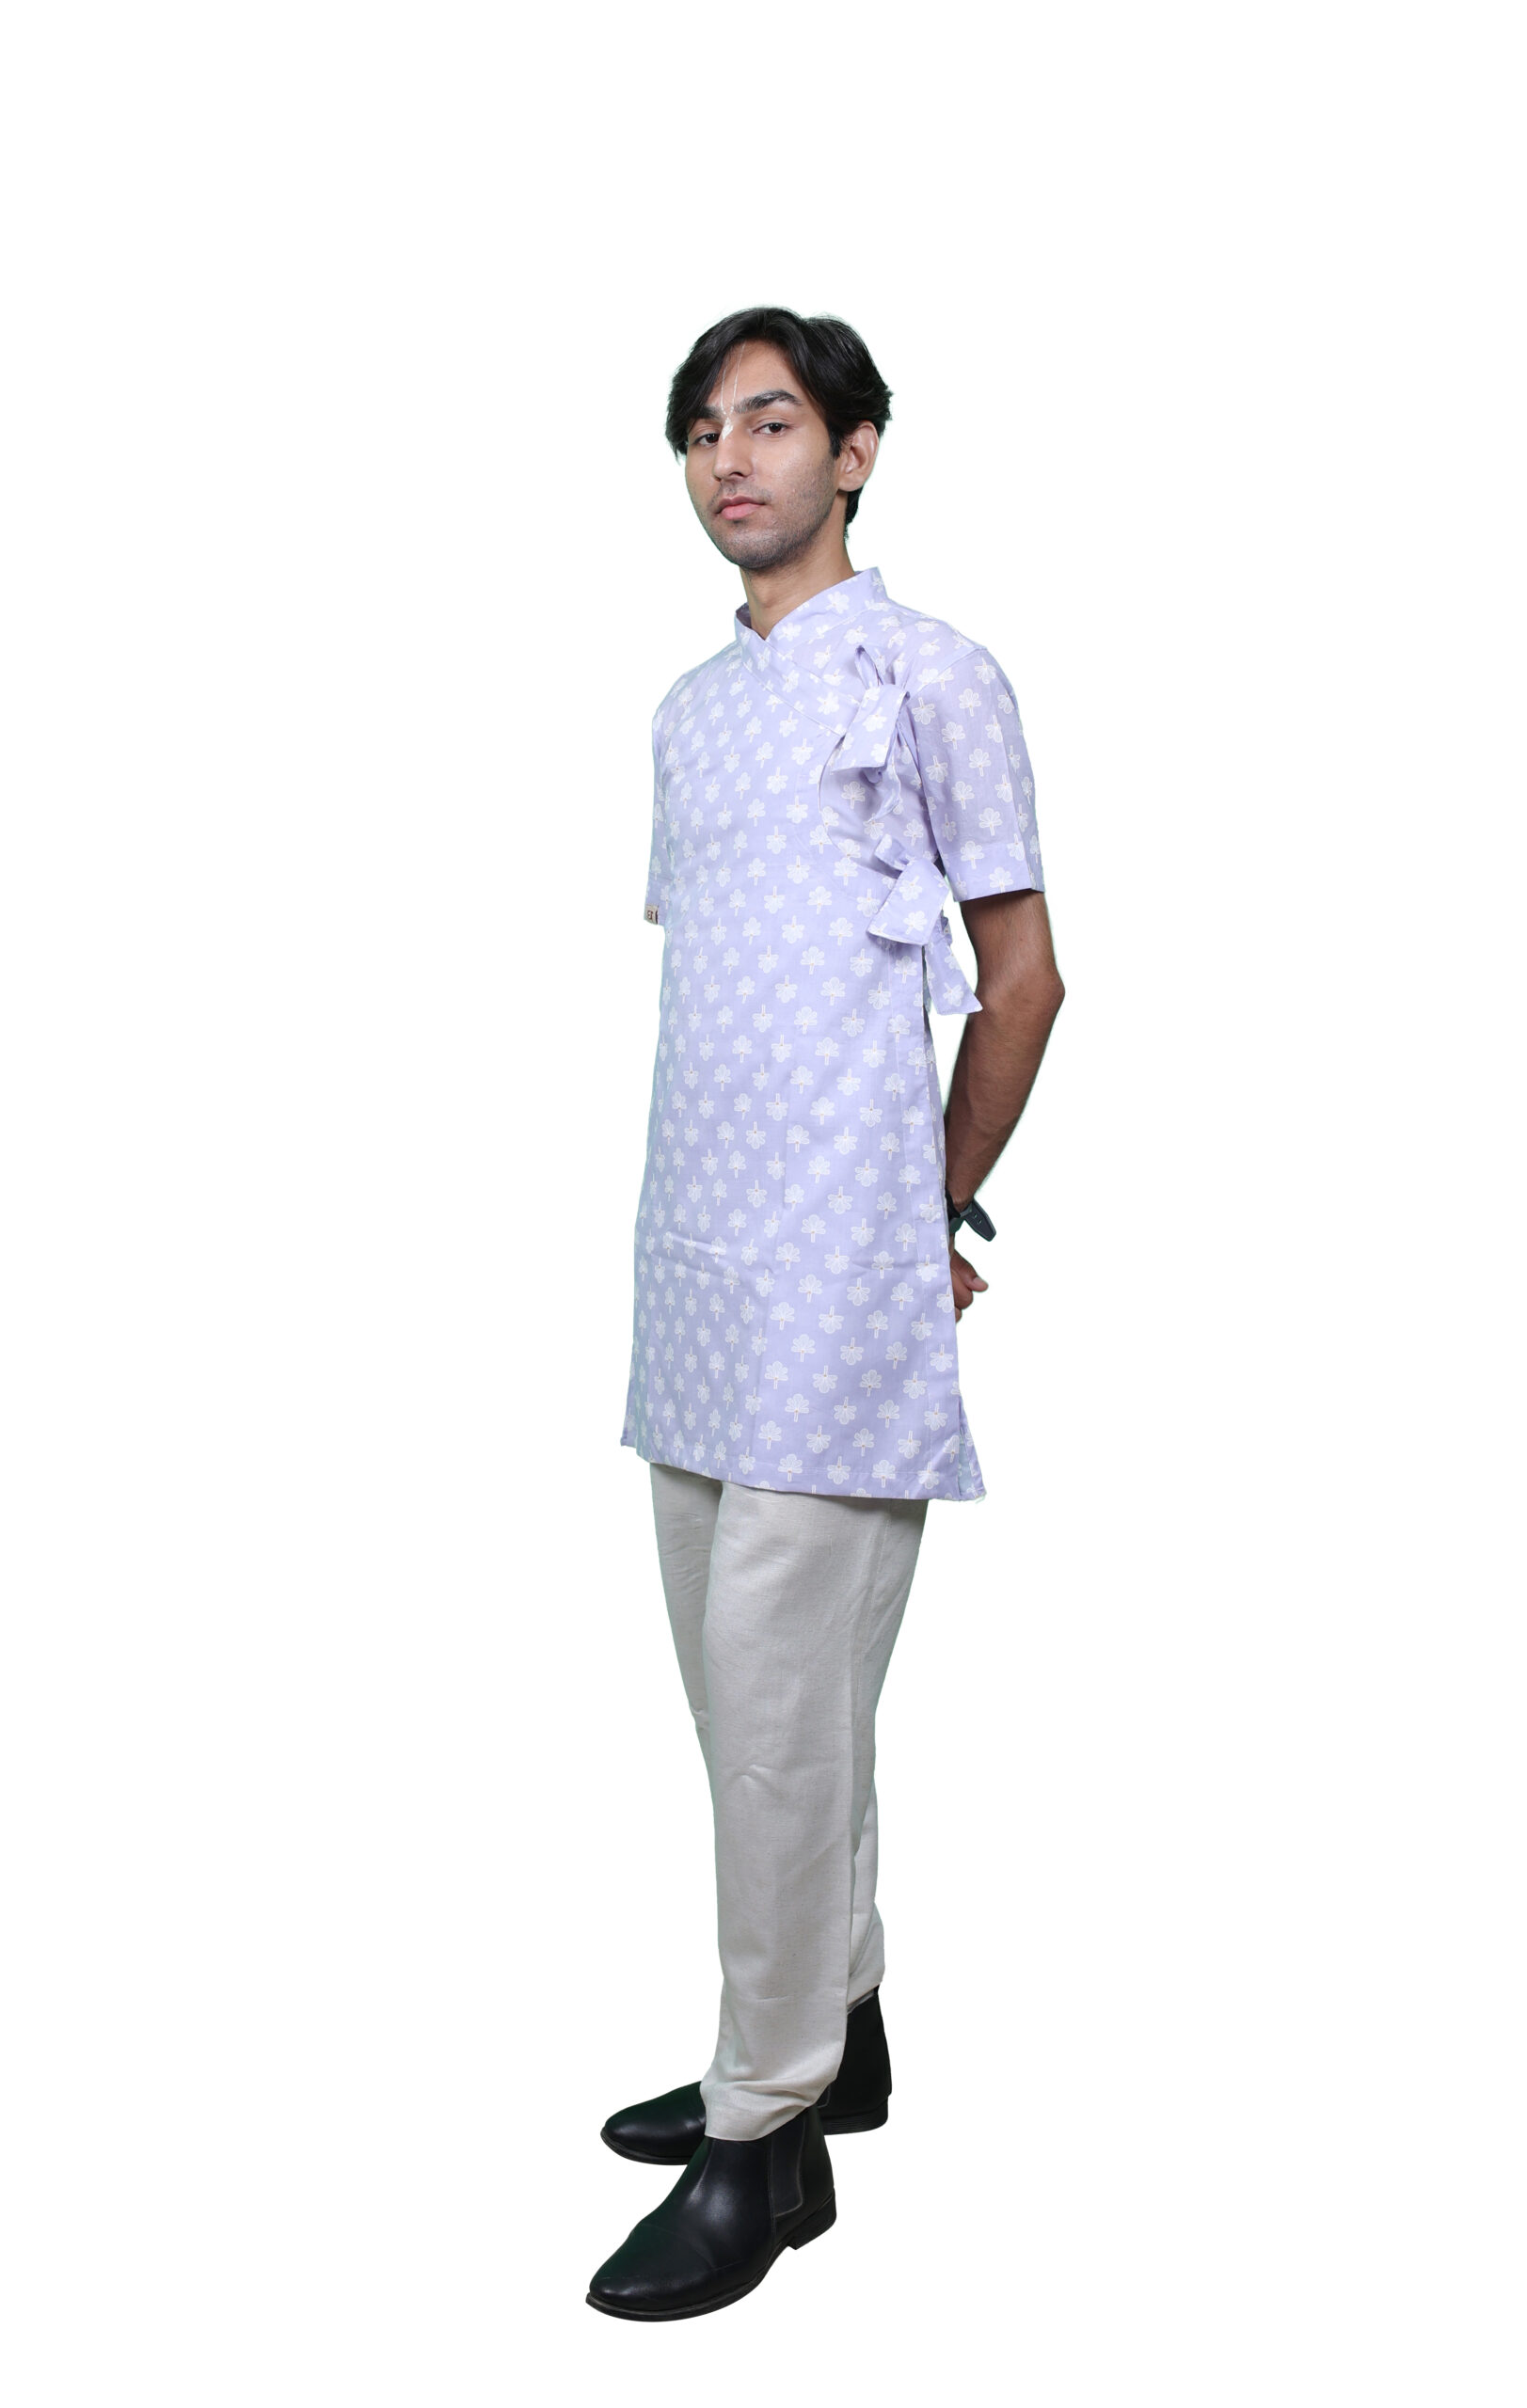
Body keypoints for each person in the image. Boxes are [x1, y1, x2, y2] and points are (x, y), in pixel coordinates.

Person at [586, 307, 1064, 2321]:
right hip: (693, 1267)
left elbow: (1023, 978)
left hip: (839, 1291)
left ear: (854, 449)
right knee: (750, 1710)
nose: (732, 460)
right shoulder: (689, 712)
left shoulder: (937, 674)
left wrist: (930, 1202)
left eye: (770, 421)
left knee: (783, 1715)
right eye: (702, 430)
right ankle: (838, 2025)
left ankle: (762, 2133)